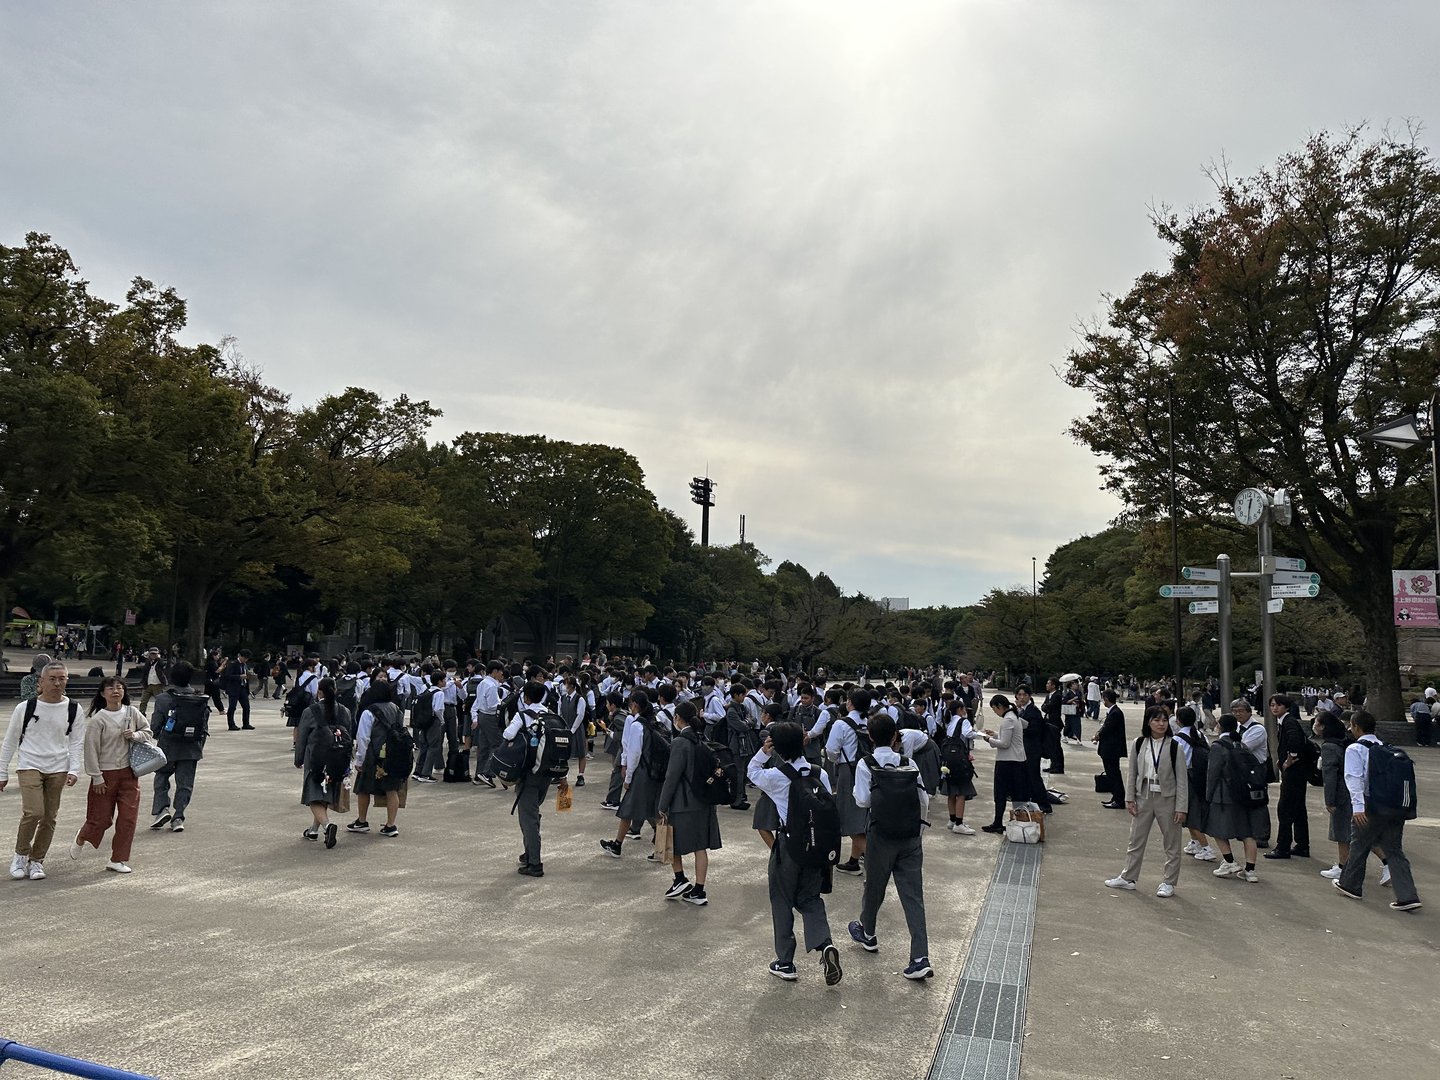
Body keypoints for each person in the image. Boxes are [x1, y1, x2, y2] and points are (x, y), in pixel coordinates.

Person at [747, 721, 843, 985]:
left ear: (776, 747)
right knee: (810, 898)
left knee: (782, 900)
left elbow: (752, 772)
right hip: (816, 848)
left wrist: (763, 752)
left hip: (788, 847)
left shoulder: (776, 778)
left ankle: (786, 962)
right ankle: (824, 945)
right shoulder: (819, 773)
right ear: (803, 742)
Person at [847, 713, 933, 979]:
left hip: (881, 834)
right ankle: (920, 957)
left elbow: (862, 801)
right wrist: (918, 831)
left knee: (874, 886)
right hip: (909, 836)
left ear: (870, 737)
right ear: (896, 736)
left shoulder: (866, 764)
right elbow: (924, 800)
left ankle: (868, 932)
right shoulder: (908, 763)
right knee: (913, 896)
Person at [1, 662, 85, 880]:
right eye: (53, 679)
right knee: (34, 812)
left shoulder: (74, 709)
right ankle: (20, 854)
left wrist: (74, 769)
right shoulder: (26, 708)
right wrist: (2, 772)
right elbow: (9, 741)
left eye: (62, 678)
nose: (58, 683)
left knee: (49, 817)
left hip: (58, 767)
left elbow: (76, 742)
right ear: (41, 682)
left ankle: (37, 861)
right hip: (29, 764)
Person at [1334, 710, 1422, 911]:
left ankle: (1350, 885)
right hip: (1395, 806)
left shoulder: (1355, 749)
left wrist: (1357, 808)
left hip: (1370, 805)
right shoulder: (1386, 748)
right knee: (1394, 849)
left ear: (1356, 726)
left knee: (1359, 845)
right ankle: (1408, 895)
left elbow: (1354, 779)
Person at [69, 676, 153, 874]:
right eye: (111, 688)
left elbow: (147, 731)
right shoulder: (98, 720)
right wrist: (96, 776)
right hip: (105, 774)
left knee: (128, 818)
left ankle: (117, 859)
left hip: (129, 773)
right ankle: (82, 835)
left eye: (119, 687)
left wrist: (135, 735)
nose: (116, 691)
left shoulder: (131, 712)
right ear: (102, 693)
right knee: (101, 819)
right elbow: (91, 750)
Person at [1104, 707, 1189, 897]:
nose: (1161, 724)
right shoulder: (1139, 743)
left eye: (1164, 720)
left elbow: (1182, 780)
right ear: (1148, 722)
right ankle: (1128, 877)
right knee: (1136, 838)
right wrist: (1129, 798)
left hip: (1167, 798)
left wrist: (1181, 807)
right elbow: (1132, 772)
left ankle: (1169, 882)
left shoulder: (1175, 746)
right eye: (1156, 720)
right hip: (1144, 795)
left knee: (1172, 842)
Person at [656, 700, 720, 905]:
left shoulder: (680, 742)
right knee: (700, 847)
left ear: (677, 718)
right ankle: (699, 890)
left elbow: (672, 776)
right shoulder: (702, 738)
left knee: (672, 841)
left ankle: (680, 879)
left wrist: (662, 804)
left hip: (683, 802)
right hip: (704, 799)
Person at [508, 681, 569, 877]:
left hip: (529, 774)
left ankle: (534, 863)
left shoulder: (524, 716)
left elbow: (507, 734)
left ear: (526, 697)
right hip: (548, 774)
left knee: (528, 818)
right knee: (533, 814)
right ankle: (529, 852)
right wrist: (563, 777)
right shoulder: (554, 717)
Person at [148, 661, 210, 834]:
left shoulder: (163, 698)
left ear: (171, 677)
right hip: (191, 748)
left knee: (161, 776)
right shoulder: (200, 698)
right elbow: (204, 727)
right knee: (185, 784)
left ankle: (162, 809)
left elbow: (154, 726)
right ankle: (179, 817)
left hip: (168, 745)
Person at [1205, 715, 1264, 883]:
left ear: (1219, 726)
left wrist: (1208, 796)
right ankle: (1250, 871)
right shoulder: (1241, 744)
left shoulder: (1218, 746)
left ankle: (1229, 861)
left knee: (1217, 828)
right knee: (1247, 832)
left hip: (1223, 795)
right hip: (1244, 794)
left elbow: (1213, 773)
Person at [296, 677, 354, 849]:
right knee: (326, 794)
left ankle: (327, 826)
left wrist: (298, 759)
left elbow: (302, 738)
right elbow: (349, 735)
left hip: (316, 759)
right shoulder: (344, 711)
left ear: (319, 692)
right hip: (338, 759)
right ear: (335, 691)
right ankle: (313, 830)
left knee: (313, 797)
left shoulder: (310, 711)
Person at [348, 680, 409, 838]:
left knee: (363, 789)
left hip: (373, 756)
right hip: (393, 754)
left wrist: (359, 760)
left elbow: (363, 738)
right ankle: (391, 824)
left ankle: (362, 821)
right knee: (391, 789)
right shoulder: (396, 709)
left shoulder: (369, 712)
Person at [824, 689, 872, 874]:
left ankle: (874, 860)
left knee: (848, 817)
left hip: (848, 772)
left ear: (849, 702)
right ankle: (853, 861)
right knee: (860, 816)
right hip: (867, 770)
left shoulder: (841, 724)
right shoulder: (868, 722)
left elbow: (831, 751)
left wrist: (835, 759)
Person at [1265, 694, 1312, 860]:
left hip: (1294, 772)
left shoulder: (1288, 721)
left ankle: (1283, 847)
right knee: (1298, 809)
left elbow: (1295, 742)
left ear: (1285, 706)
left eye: (1278, 705)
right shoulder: (1284, 721)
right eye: (1272, 705)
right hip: (1298, 772)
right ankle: (1302, 845)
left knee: (1285, 809)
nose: (1274, 708)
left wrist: (1290, 759)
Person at [980, 694, 1029, 834]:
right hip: (1017, 760)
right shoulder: (1014, 716)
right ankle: (1018, 821)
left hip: (1007, 762)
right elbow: (1010, 738)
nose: (995, 712)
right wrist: (995, 734)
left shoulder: (1008, 720)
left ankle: (998, 822)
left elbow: (1005, 744)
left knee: (1000, 794)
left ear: (999, 706)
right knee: (1017, 793)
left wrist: (989, 739)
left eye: (994, 709)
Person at [1093, 689, 1128, 810]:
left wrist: (1097, 736)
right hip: (1111, 749)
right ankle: (1116, 797)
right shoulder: (1113, 712)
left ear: (1106, 699)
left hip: (1111, 749)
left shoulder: (1115, 713)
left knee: (1113, 774)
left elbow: (1107, 729)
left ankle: (1118, 799)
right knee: (1112, 773)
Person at [223, 649, 255, 731]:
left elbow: (245, 674)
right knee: (232, 707)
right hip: (234, 688)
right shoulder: (233, 664)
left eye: (247, 659)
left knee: (246, 707)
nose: (245, 660)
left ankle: (246, 723)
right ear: (240, 656)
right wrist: (239, 676)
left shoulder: (244, 664)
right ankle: (231, 724)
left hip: (243, 687)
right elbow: (227, 676)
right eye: (244, 658)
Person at [137, 647, 168, 715]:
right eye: (152, 654)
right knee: (143, 701)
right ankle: (142, 713)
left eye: (155, 654)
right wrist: (143, 681)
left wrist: (159, 658)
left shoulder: (160, 662)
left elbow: (163, 665)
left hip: (157, 685)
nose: (153, 655)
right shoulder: (148, 662)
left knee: (159, 701)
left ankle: (158, 714)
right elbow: (145, 672)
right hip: (148, 684)